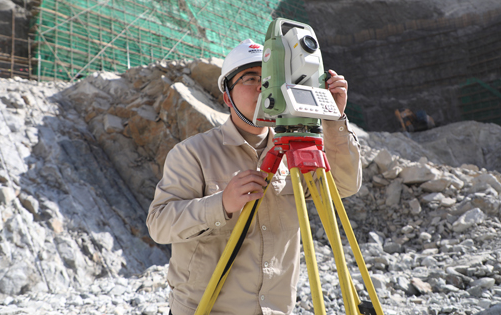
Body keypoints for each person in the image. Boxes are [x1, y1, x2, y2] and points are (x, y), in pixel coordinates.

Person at [146, 38, 362, 315]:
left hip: (276, 309)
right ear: (227, 95)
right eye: (250, 78)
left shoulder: (296, 151)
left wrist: (334, 119)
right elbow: (159, 225)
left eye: (269, 78)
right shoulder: (193, 153)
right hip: (207, 309)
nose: (263, 86)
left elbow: (343, 185)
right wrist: (221, 204)